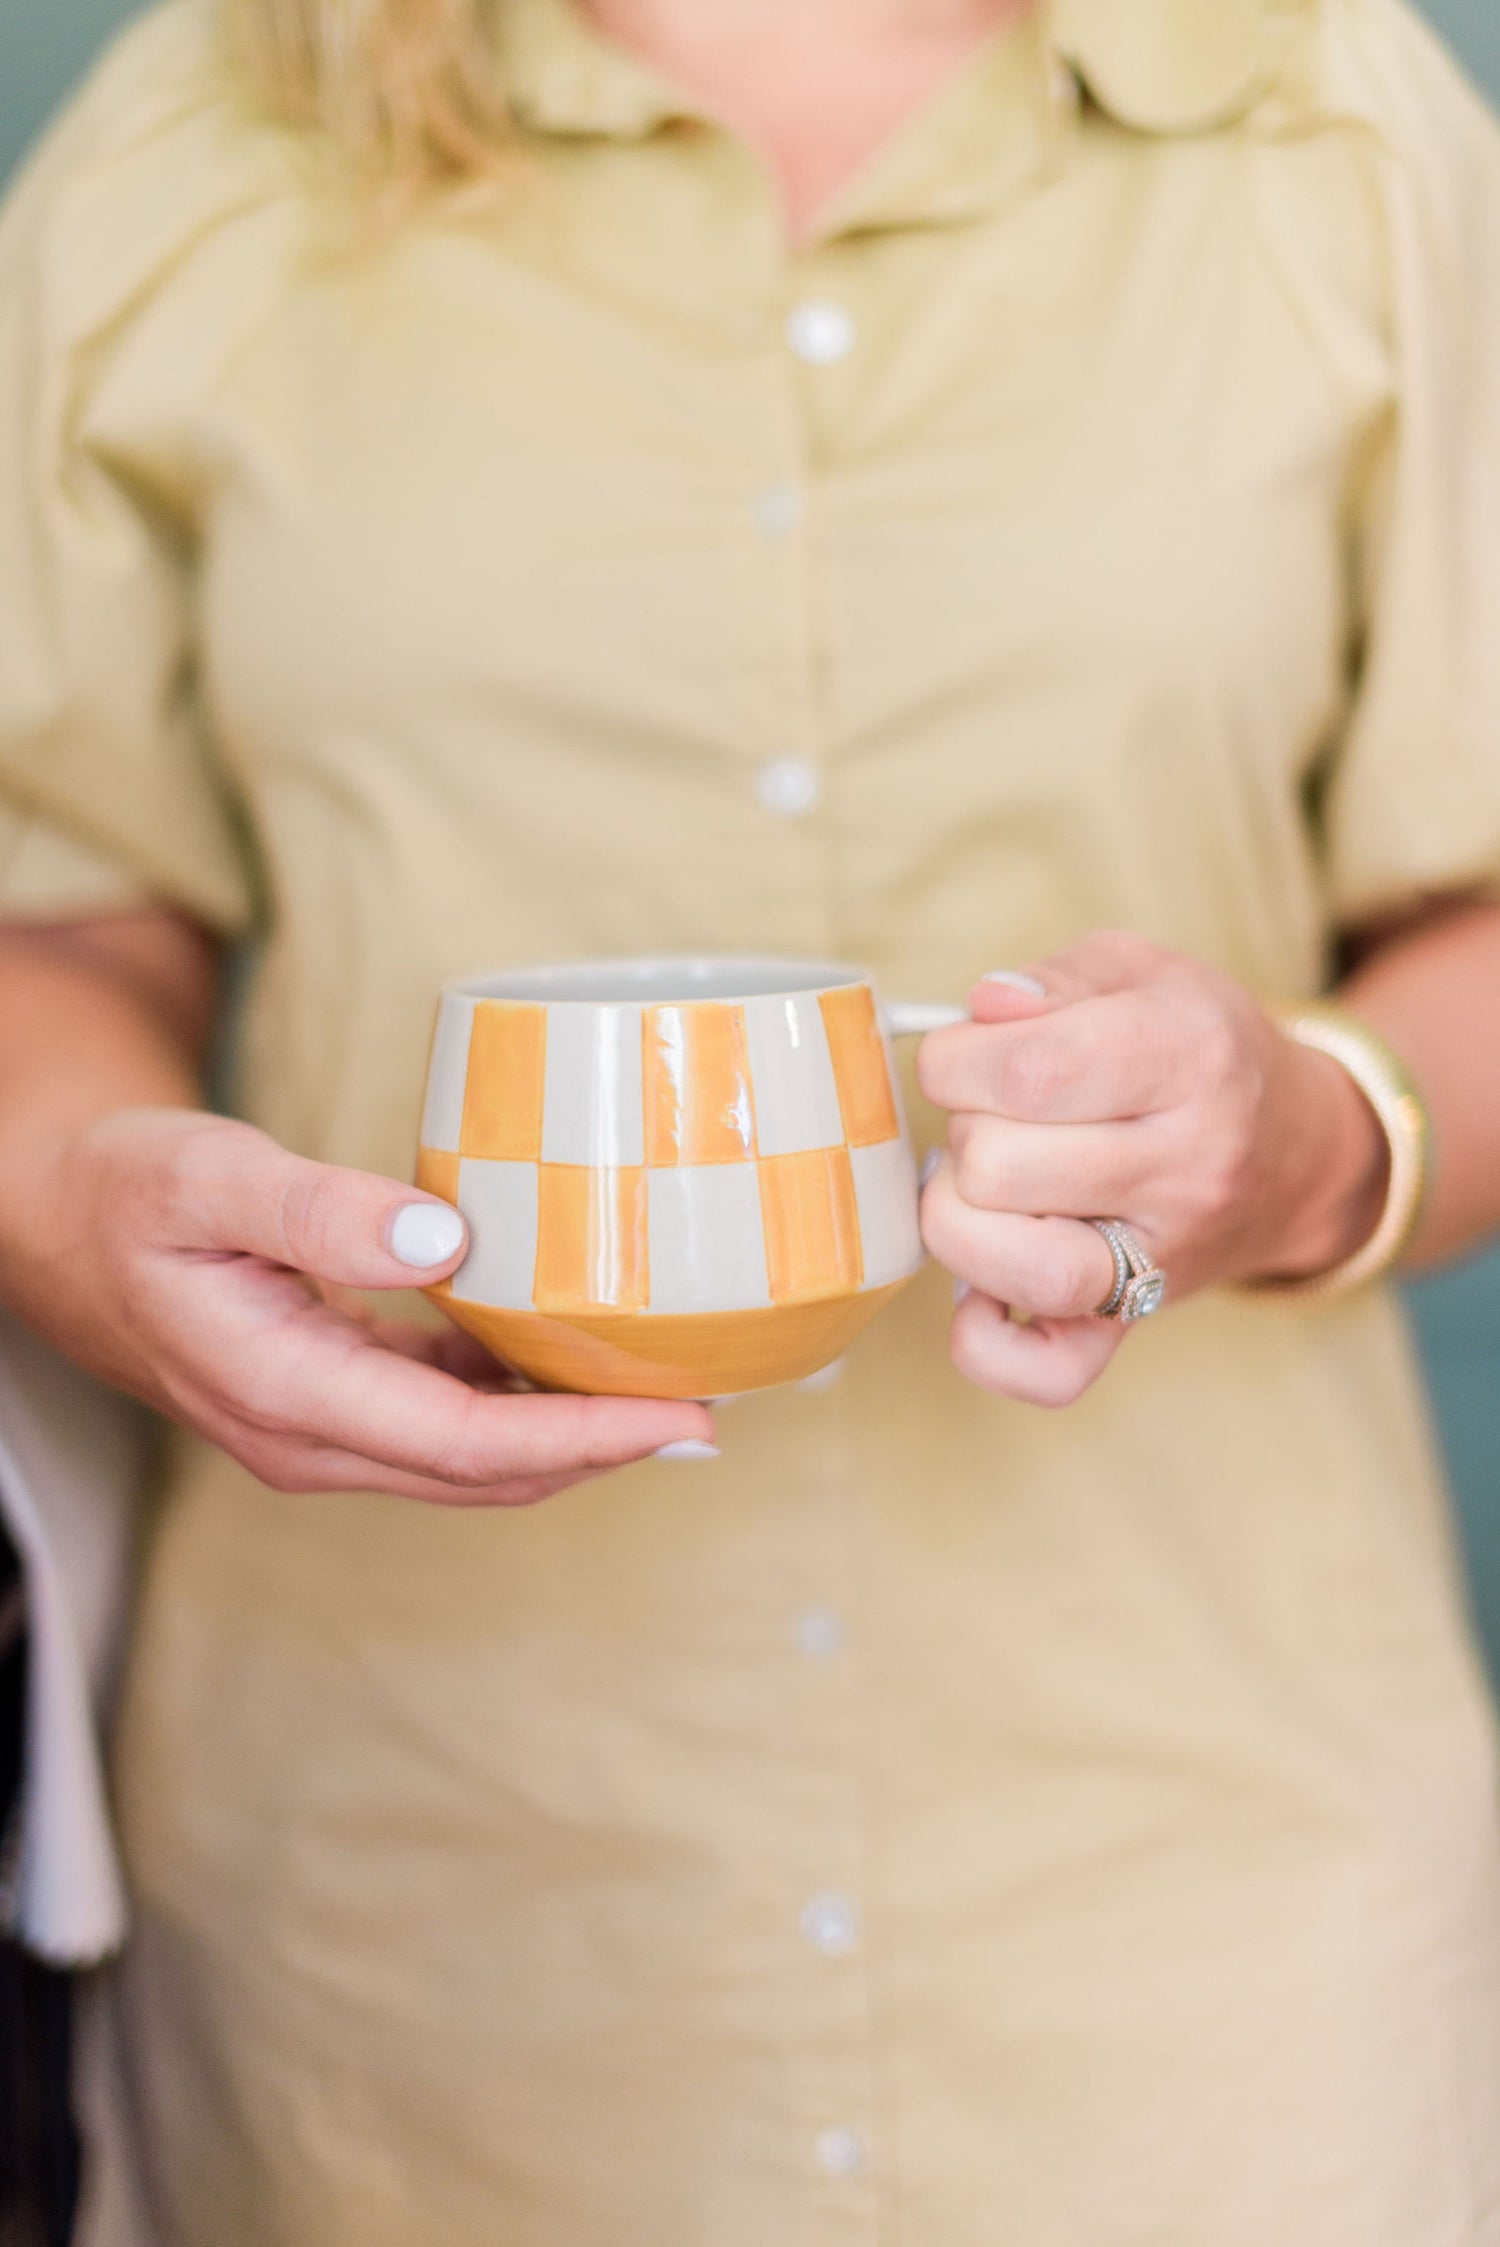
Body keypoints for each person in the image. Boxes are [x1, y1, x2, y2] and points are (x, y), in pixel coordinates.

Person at [3, 0, 1500, 2236]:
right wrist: (69, 1206)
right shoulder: (207, 127)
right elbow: (55, 917)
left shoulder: (1328, 110)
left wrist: (1312, 1126)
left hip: (1208, 1945)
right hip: (416, 1941)